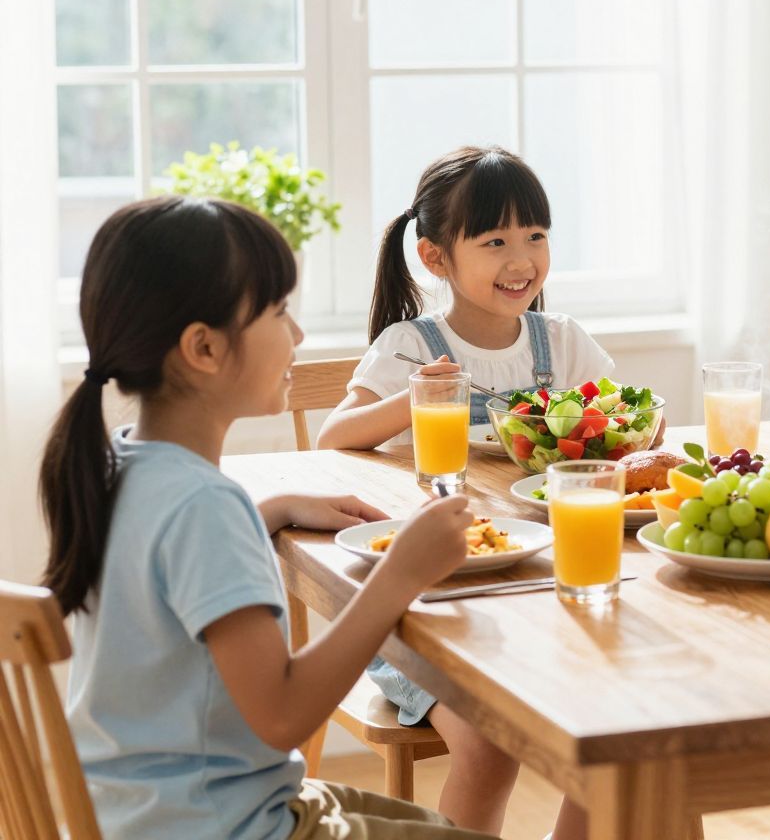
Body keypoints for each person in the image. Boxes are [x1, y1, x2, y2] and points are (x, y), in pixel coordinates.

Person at [40, 195, 495, 839]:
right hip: (225, 825)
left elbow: (170, 567)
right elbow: (281, 715)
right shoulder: (204, 506)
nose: (300, 336)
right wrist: (400, 574)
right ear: (203, 348)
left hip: (145, 814)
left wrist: (272, 509)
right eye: (280, 312)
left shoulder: (121, 467)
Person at [319, 146, 606, 838]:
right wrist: (412, 401)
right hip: (430, 611)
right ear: (436, 258)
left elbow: (617, 422)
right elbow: (334, 438)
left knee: (622, 740)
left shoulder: (560, 341)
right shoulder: (410, 345)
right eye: (495, 241)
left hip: (539, 593)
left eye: (535, 237)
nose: (522, 260)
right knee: (488, 748)